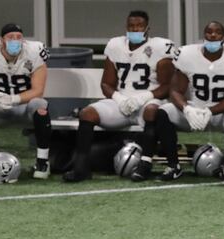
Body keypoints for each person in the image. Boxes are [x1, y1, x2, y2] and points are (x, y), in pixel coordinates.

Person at [63, 10, 175, 182]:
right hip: (121, 103)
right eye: (131, 26)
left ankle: (144, 165)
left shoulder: (160, 47)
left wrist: (142, 98)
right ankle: (81, 167)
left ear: (147, 29)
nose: (135, 29)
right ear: (126, 27)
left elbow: (167, 86)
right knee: (87, 113)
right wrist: (119, 98)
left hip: (148, 100)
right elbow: (106, 84)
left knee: (152, 111)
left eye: (139, 26)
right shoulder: (116, 46)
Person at [155, 21, 224, 181]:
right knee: (163, 112)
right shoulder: (187, 54)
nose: (213, 35)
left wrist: (211, 111)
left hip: (222, 112)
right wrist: (187, 109)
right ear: (203, 35)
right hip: (194, 110)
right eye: (209, 32)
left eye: (217, 32)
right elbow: (175, 90)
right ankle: (173, 166)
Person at [0, 23, 51, 180]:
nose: (15, 40)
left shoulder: (35, 52)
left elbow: (38, 90)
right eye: (10, 37)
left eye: (19, 37)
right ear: (1, 40)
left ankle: (42, 162)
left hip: (24, 107)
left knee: (40, 105)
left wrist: (14, 99)